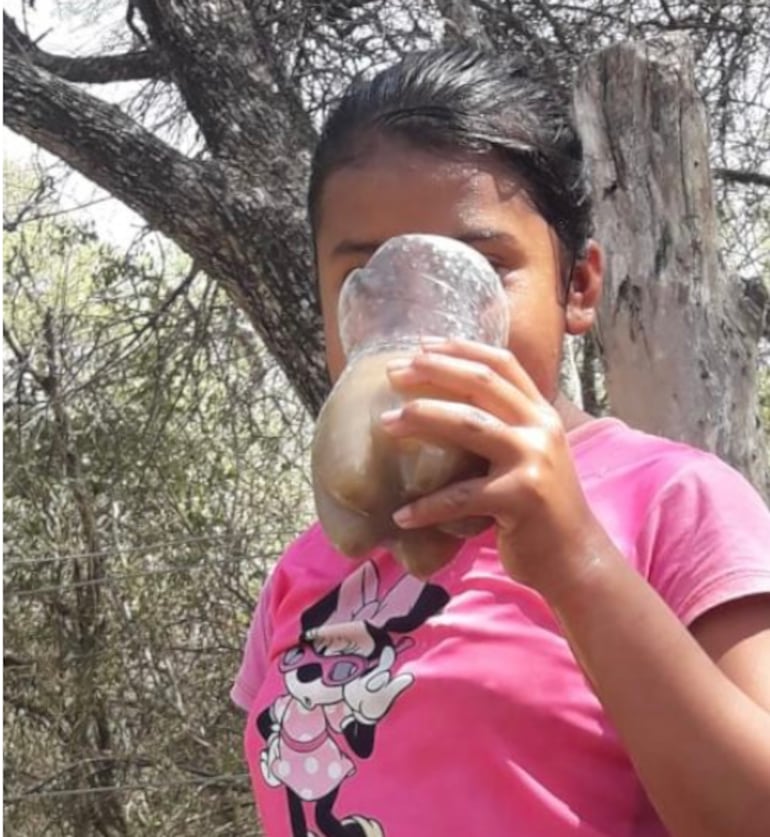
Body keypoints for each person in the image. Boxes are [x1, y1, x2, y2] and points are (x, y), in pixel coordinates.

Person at [232, 46, 770, 837]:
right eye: (368, 277)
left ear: (577, 286)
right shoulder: (304, 567)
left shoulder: (672, 504)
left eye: (478, 267)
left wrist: (576, 561)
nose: (421, 319)